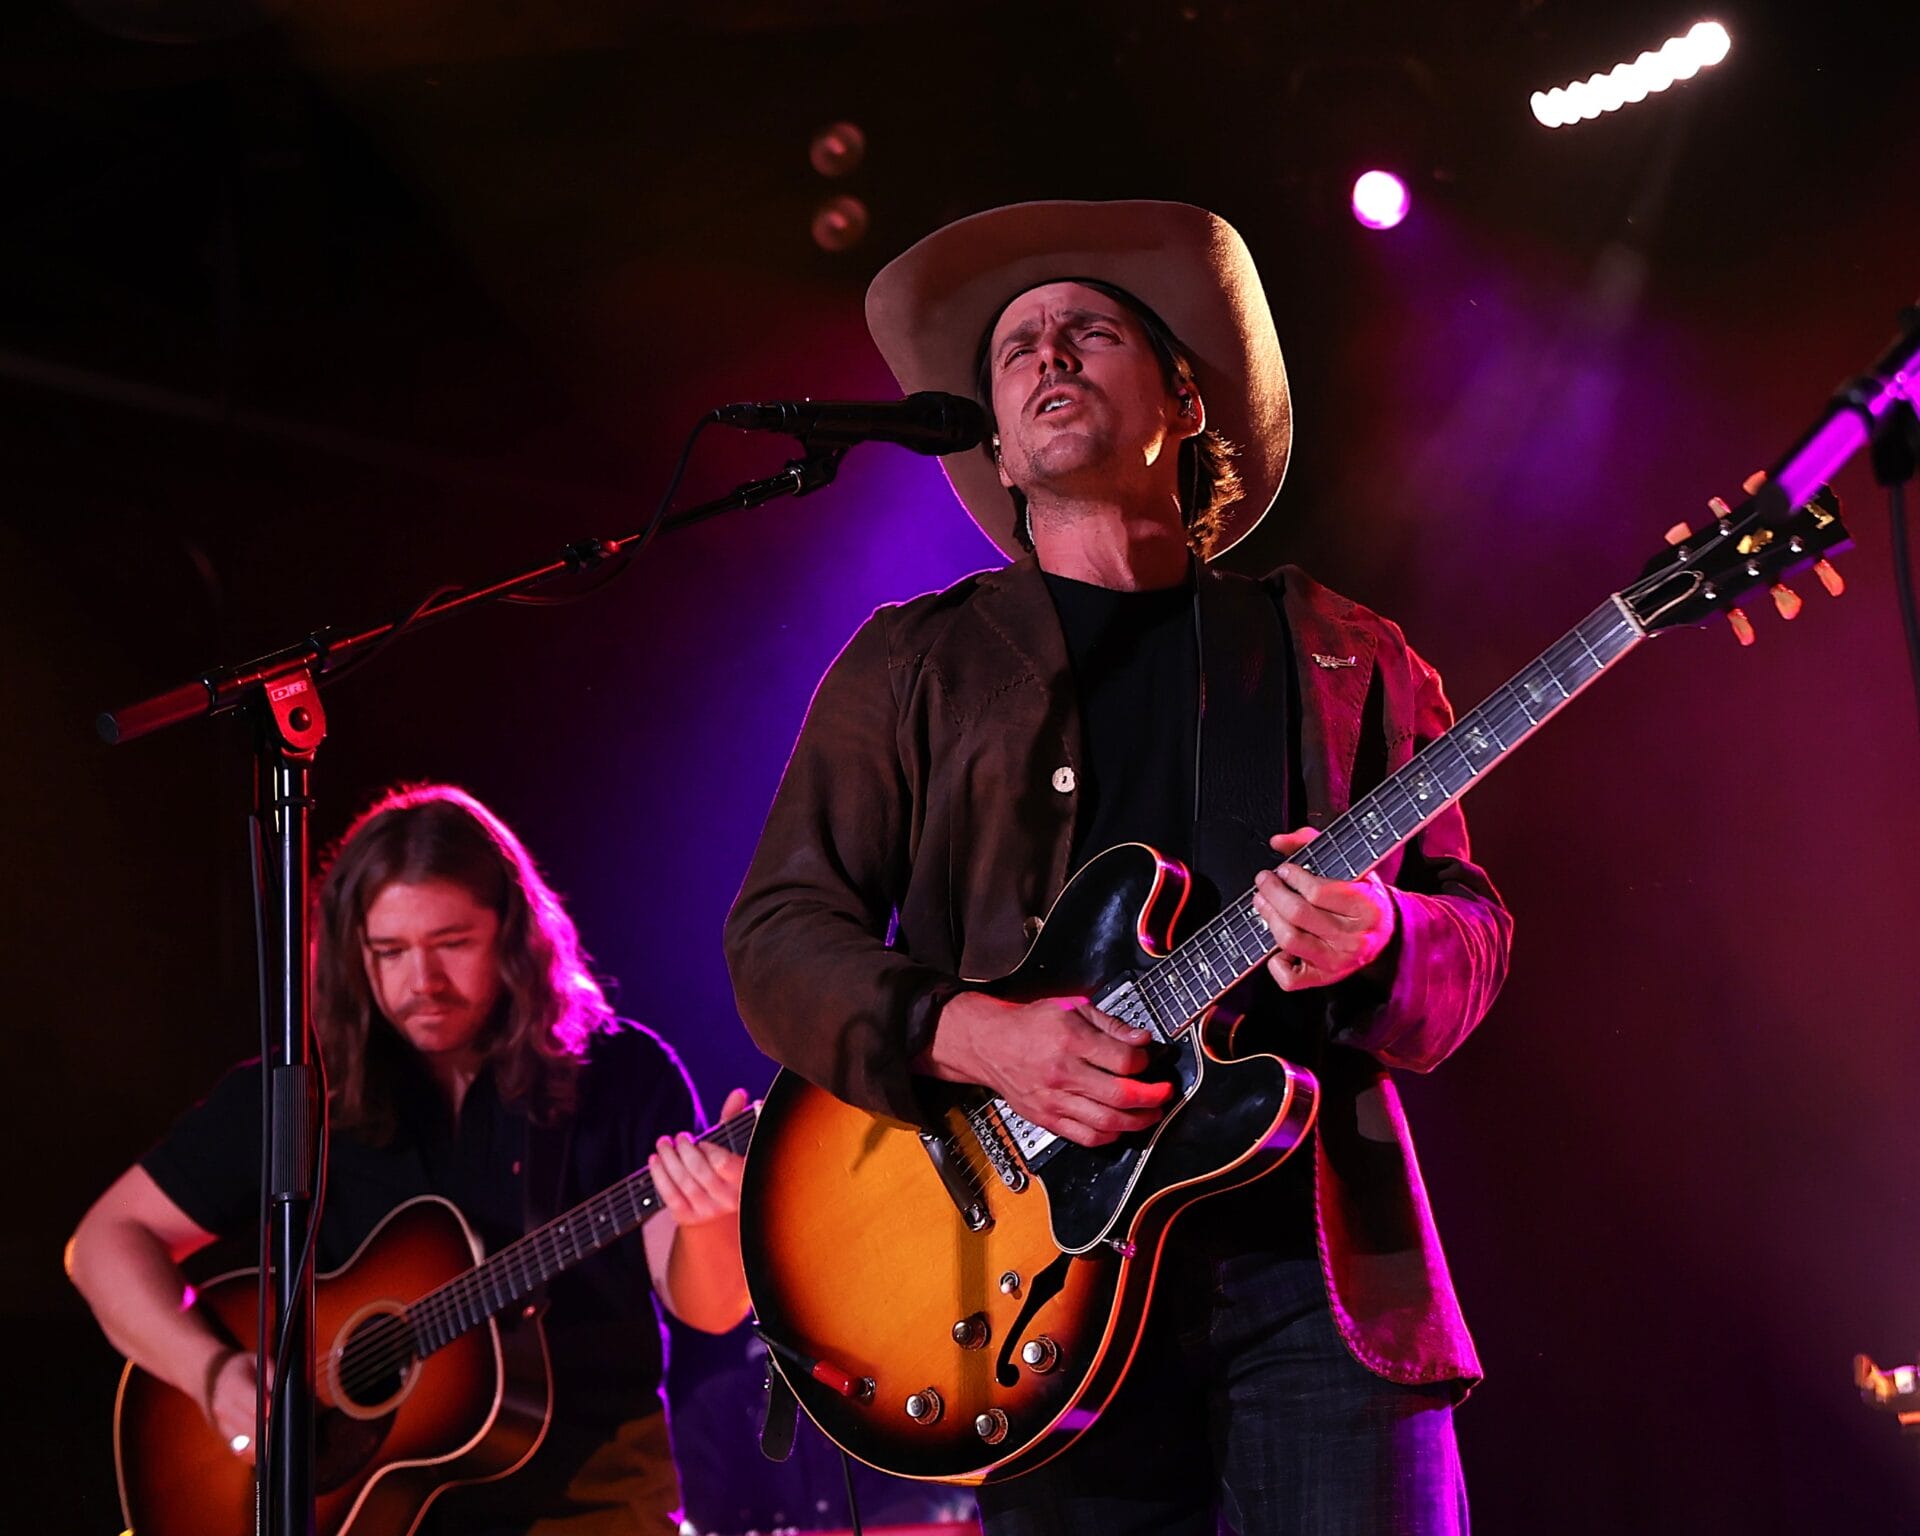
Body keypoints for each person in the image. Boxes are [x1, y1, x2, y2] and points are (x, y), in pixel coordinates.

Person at [724, 200, 1511, 1535]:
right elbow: (781, 935)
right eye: (1016, 346)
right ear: (995, 440)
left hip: (1314, 1273)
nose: (1048, 354)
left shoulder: (1344, 652)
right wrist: (978, 1036)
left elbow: (1469, 939)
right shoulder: (916, 662)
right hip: (1030, 1283)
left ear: (1186, 404)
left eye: (1090, 330)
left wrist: (1385, 937)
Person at [68, 783, 749, 1534]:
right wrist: (212, 1372)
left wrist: (710, 1215)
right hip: (368, 1516)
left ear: (515, 935)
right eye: (389, 952)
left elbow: (711, 1310)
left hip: (591, 1501)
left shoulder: (620, 1074)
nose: (422, 982)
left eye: (453, 943)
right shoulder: (303, 1094)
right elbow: (103, 1242)